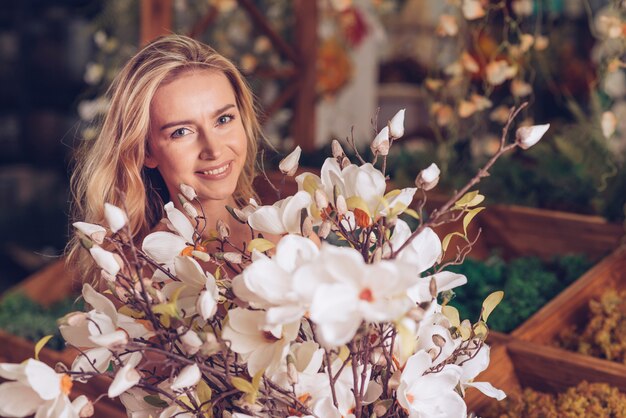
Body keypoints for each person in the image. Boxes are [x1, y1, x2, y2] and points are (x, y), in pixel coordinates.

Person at [68, 34, 263, 281]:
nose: (213, 150)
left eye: (223, 119)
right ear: (146, 151)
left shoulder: (293, 235)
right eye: (181, 132)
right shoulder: (139, 278)